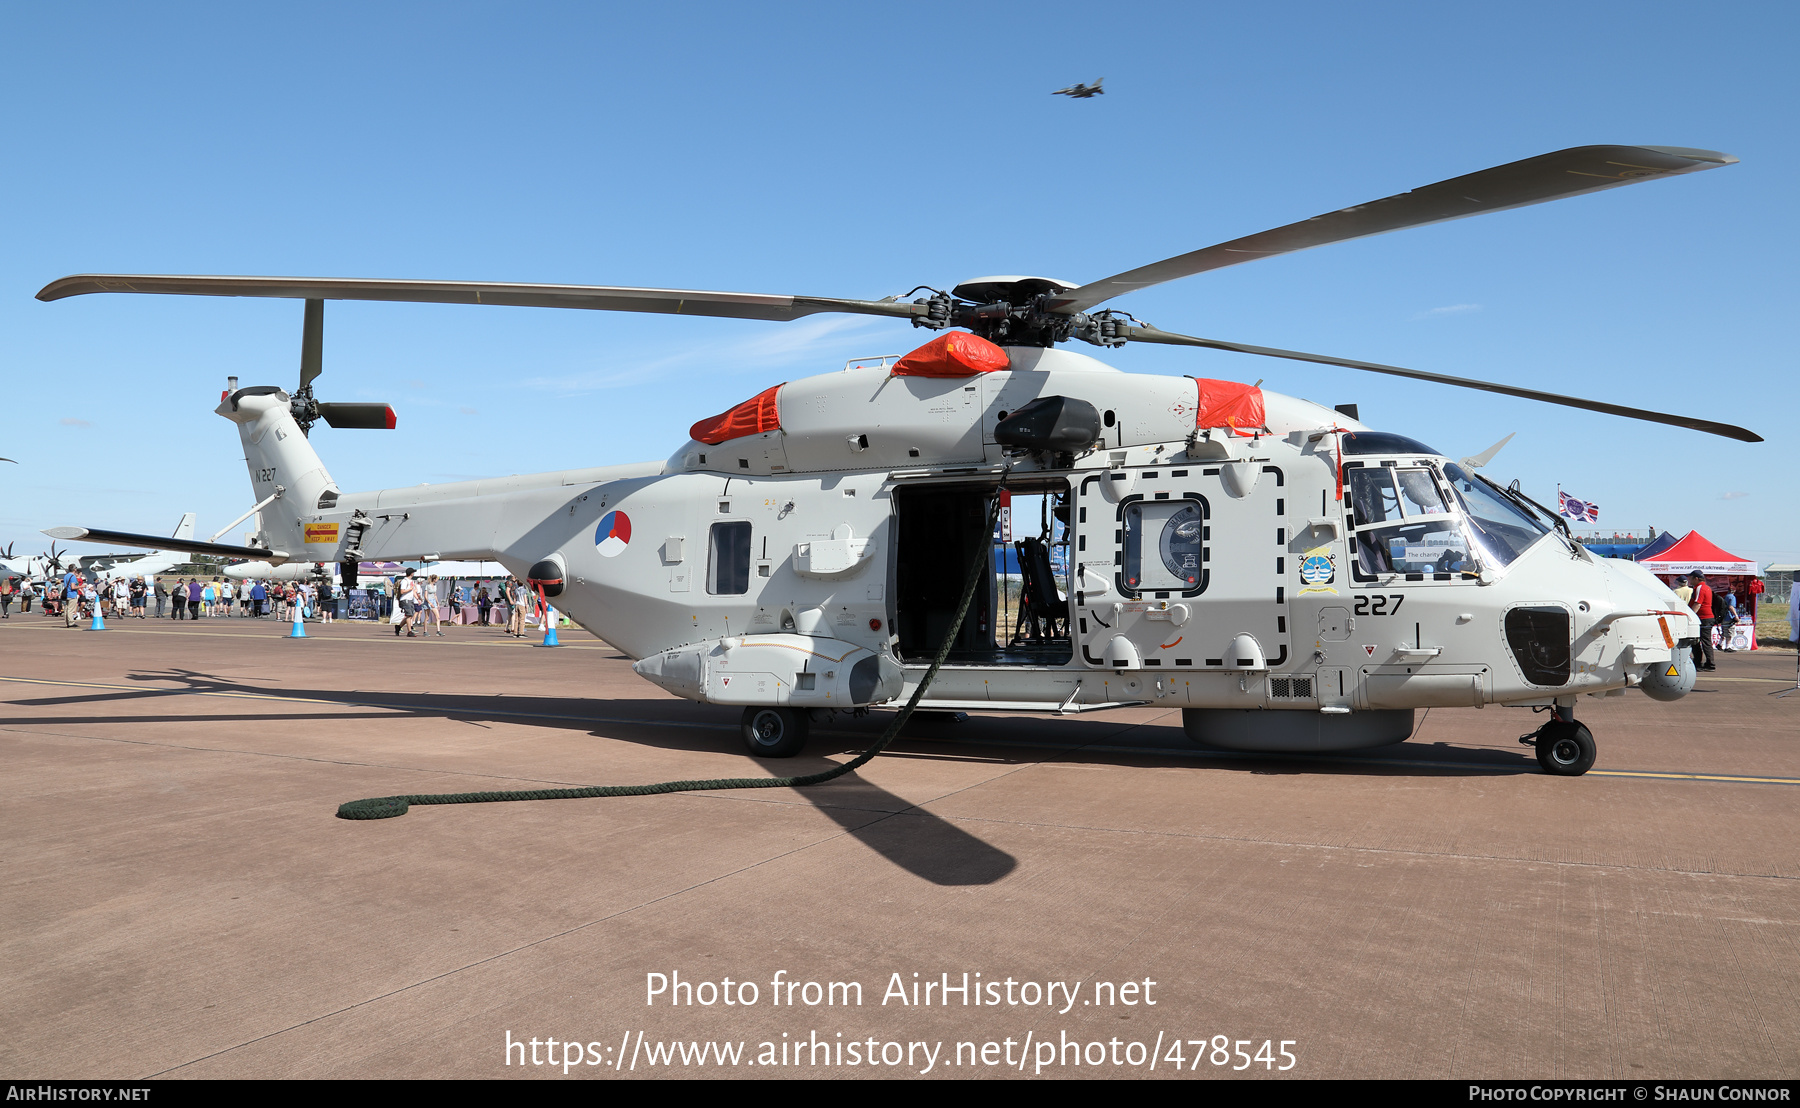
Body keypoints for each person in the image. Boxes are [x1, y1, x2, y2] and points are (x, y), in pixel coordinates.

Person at [1689, 571, 1716, 671]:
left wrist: (1690, 616)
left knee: (1704, 641)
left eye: (1691, 578)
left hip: (1704, 618)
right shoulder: (1705, 587)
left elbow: (1698, 604)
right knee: (1698, 641)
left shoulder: (1700, 588)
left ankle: (1710, 664)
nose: (1689, 580)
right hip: (1705, 618)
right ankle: (1700, 662)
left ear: (1696, 578)